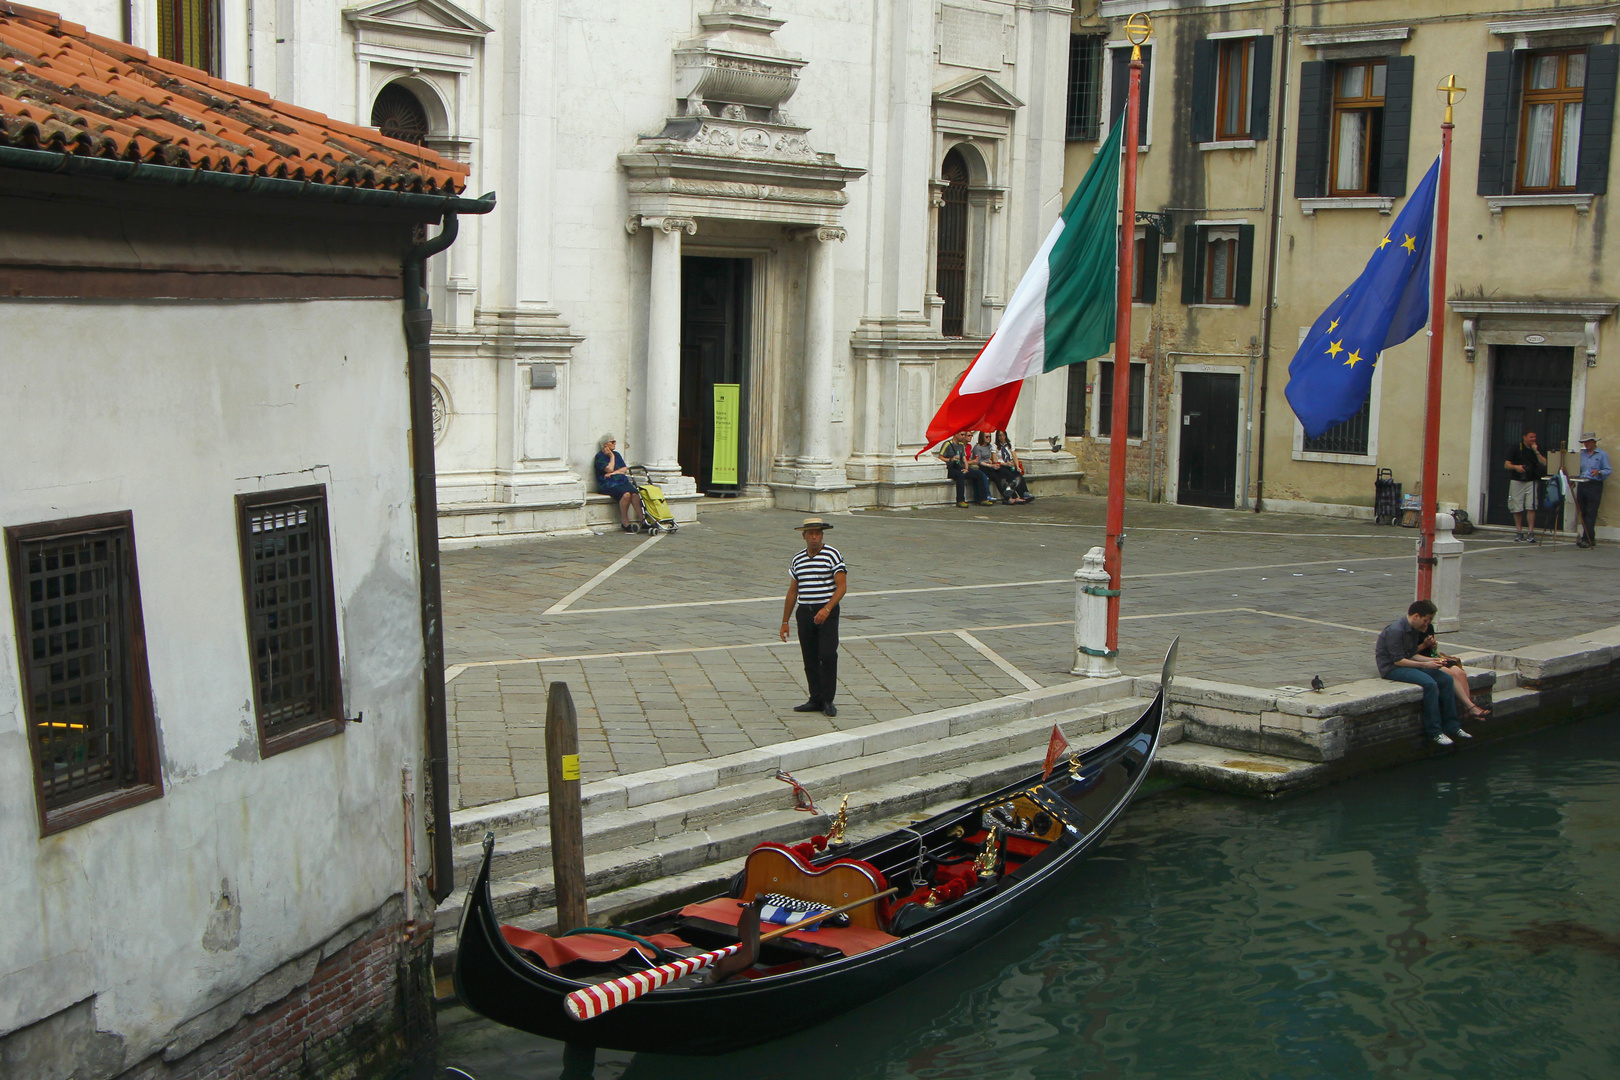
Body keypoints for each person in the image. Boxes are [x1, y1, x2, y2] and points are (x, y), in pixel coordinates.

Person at [1375, 599, 1472, 747]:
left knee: (1446, 679)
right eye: (1426, 620)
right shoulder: (1395, 631)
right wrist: (1425, 664)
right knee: (1429, 684)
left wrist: (1434, 662)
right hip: (1392, 668)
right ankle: (1434, 731)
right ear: (1416, 616)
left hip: (1407, 662)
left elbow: (1413, 653)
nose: (1427, 624)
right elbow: (1399, 661)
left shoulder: (1415, 630)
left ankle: (1453, 726)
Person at [780, 518, 847, 717]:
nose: (815, 537)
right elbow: (793, 591)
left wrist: (827, 609)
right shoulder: (798, 559)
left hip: (827, 612)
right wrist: (785, 621)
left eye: (818, 533)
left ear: (822, 535)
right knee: (809, 657)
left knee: (827, 655)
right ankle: (815, 698)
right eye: (811, 534)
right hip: (805, 612)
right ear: (804, 536)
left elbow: (841, 586)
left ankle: (828, 699)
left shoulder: (832, 555)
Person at [593, 434, 644, 532]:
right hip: (608, 484)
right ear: (605, 445)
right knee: (626, 495)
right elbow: (609, 468)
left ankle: (642, 520)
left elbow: (624, 469)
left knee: (634, 494)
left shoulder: (618, 454)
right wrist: (611, 456)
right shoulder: (600, 456)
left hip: (621, 481)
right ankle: (625, 522)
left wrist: (614, 473)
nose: (615, 443)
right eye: (612, 442)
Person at [1504, 430, 1548, 542]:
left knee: (1531, 506)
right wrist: (1516, 467)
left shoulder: (1537, 448)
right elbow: (1506, 465)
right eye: (1531, 437)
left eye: (1534, 437)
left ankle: (1531, 532)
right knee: (1517, 507)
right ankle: (1519, 531)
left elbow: (1544, 463)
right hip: (1517, 480)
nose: (1533, 439)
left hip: (1532, 480)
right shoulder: (1515, 448)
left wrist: (1536, 452)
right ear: (1524, 437)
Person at [1574, 431, 1610, 549]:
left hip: (1594, 484)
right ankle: (1590, 538)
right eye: (1584, 442)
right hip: (1582, 484)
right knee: (1583, 512)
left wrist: (1598, 472)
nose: (1586, 444)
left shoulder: (1602, 455)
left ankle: (1586, 538)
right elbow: (1576, 469)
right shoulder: (1581, 454)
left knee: (1591, 512)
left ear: (1594, 442)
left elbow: (1608, 470)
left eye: (1588, 442)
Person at [937, 432, 990, 507]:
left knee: (979, 474)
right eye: (962, 435)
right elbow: (940, 457)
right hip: (951, 468)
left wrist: (966, 468)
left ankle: (982, 498)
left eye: (964, 435)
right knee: (960, 475)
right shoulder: (947, 444)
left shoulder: (961, 445)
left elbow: (964, 458)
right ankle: (960, 500)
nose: (963, 437)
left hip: (960, 466)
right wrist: (951, 459)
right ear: (956, 434)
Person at [971, 432, 1012, 504]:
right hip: (982, 466)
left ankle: (1008, 495)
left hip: (990, 464)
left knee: (1000, 475)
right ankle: (989, 495)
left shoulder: (989, 446)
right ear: (982, 437)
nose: (988, 438)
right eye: (986, 437)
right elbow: (978, 461)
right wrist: (989, 465)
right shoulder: (977, 447)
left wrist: (992, 463)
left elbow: (991, 457)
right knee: (992, 476)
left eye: (989, 436)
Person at [993, 430, 1033, 503]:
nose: (1002, 437)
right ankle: (1016, 496)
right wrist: (1005, 464)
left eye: (1003, 435)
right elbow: (995, 460)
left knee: (1019, 475)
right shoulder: (995, 446)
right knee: (1012, 477)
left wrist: (1017, 466)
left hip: (1009, 464)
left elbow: (1014, 456)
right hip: (1001, 465)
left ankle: (1025, 493)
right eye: (1000, 435)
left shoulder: (1009, 445)